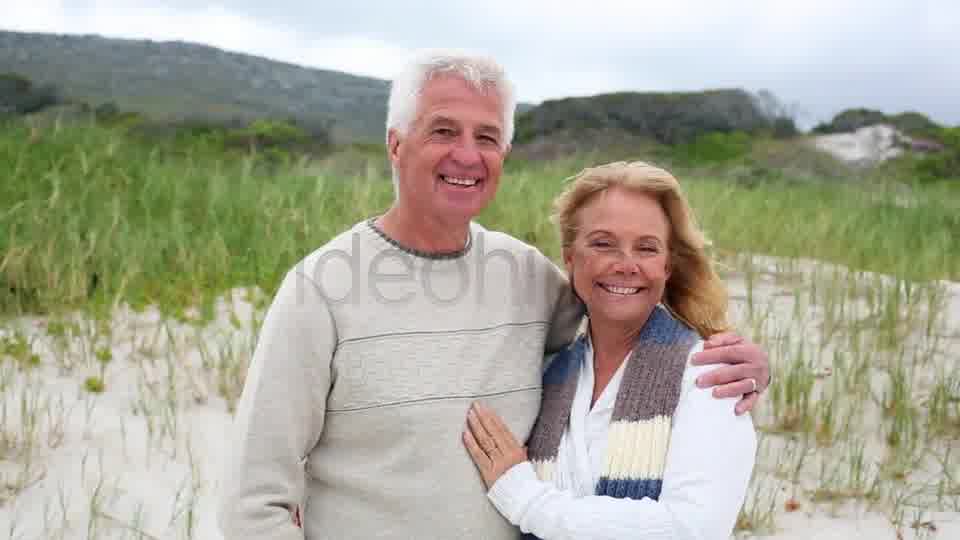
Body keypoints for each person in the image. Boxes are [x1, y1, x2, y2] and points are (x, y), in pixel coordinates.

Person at [217, 50, 769, 540]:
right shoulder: (321, 288)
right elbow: (255, 496)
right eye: (442, 131)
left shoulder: (526, 276)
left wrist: (743, 363)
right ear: (395, 143)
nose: (467, 155)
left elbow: (623, 315)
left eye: (486, 137)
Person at [463, 161, 756, 540]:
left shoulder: (708, 375)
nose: (625, 265)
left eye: (647, 248)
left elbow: (691, 528)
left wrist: (527, 500)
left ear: (667, 266)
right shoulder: (550, 373)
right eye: (603, 243)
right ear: (570, 257)